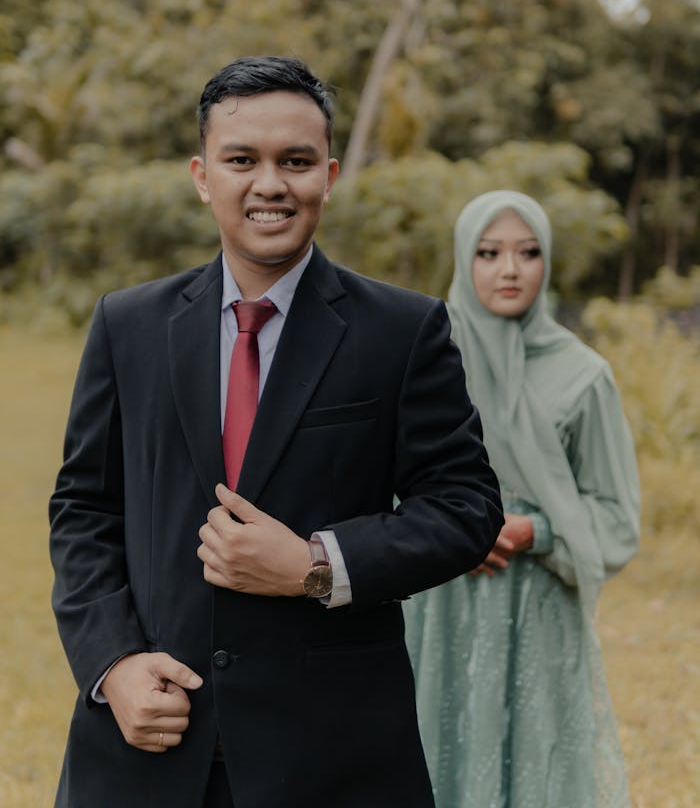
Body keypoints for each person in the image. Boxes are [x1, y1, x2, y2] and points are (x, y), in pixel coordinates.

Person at [49, 55, 503, 808]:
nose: (269, 184)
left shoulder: (403, 330)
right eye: (241, 160)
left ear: (327, 174)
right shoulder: (126, 324)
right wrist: (115, 663)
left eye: (294, 162)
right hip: (148, 746)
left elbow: (463, 508)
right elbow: (84, 511)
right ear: (203, 175)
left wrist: (315, 565)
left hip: (332, 758)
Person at [404, 190, 640, 808]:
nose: (509, 269)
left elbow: (616, 517)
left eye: (528, 252)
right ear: (464, 258)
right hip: (437, 607)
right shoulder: (422, 362)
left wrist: (531, 530)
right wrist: (448, 529)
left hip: (535, 611)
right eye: (489, 252)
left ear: (547, 262)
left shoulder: (584, 376)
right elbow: (375, 485)